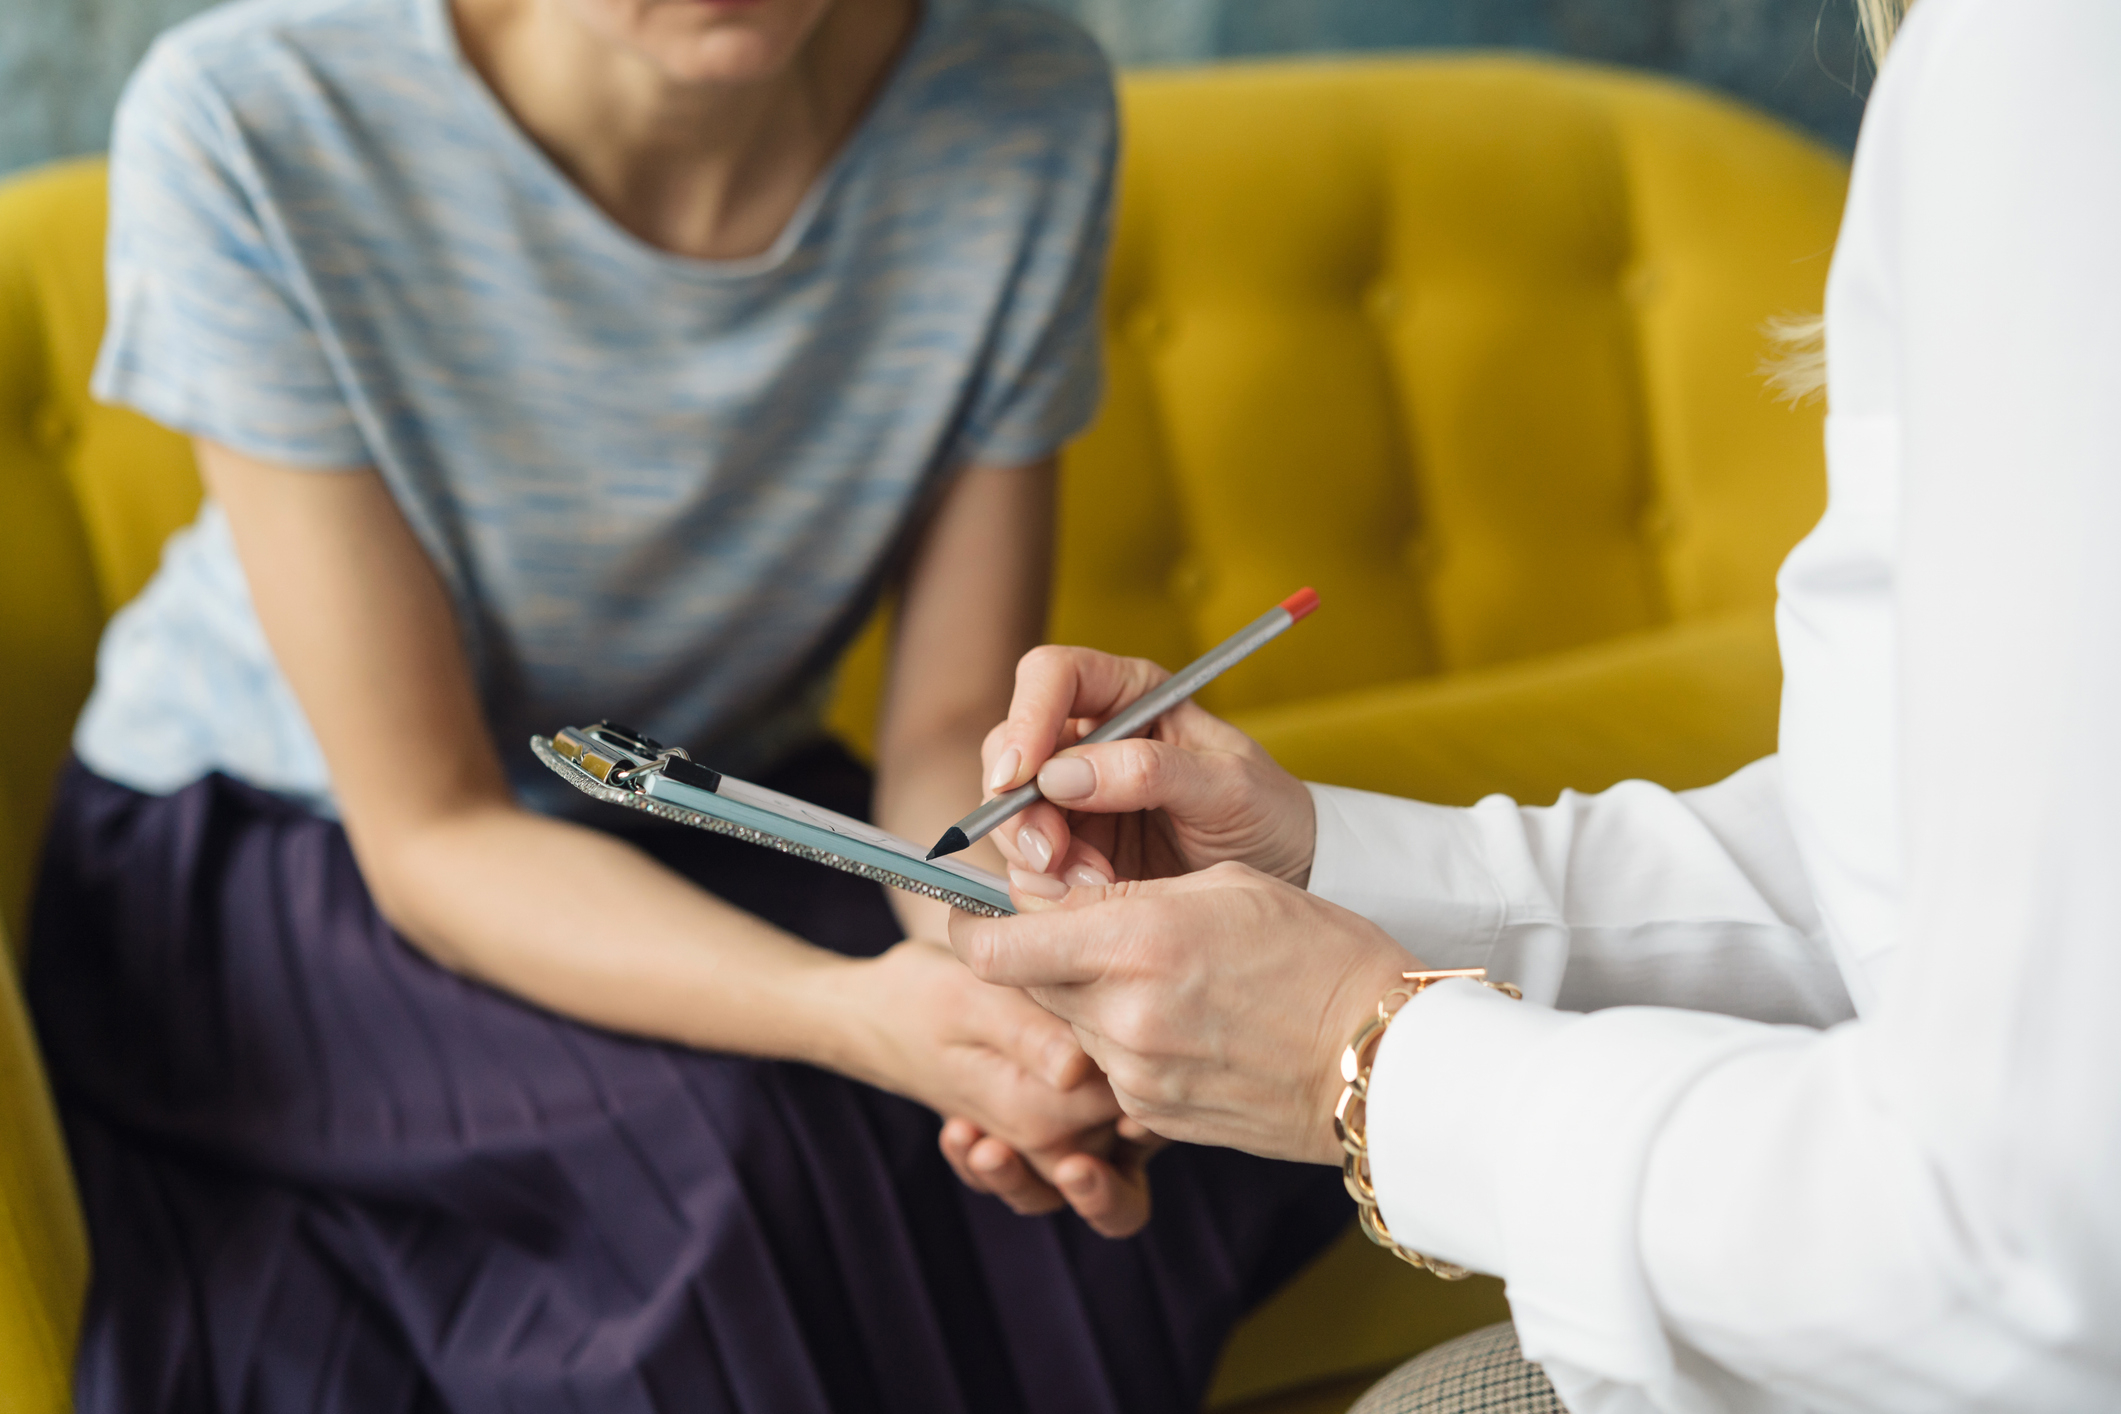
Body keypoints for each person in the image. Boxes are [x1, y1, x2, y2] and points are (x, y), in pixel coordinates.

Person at [23, 0, 1349, 1408]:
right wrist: (847, 1012)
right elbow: (432, 830)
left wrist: (993, 954)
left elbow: (943, 721)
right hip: (295, 844)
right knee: (723, 1160)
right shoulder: (251, 120)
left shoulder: (1018, 99)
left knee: (1139, 1076)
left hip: (727, 801)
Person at [948, 0, 2121, 1409]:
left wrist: (1366, 1054)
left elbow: (2017, 1252)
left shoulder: (2048, 67)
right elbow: (1930, 858)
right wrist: (1322, 868)